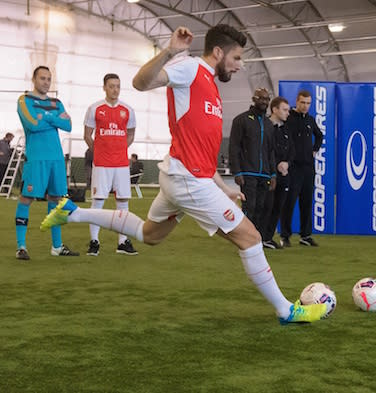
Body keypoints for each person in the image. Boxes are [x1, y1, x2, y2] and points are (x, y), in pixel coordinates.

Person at [41, 25, 326, 324]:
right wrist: (169, 51)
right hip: (188, 180)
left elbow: (202, 150)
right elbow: (140, 83)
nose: (240, 66)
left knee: (148, 234)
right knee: (251, 238)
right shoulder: (189, 68)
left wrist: (222, 188)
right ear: (218, 52)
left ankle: (72, 213)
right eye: (237, 58)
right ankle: (286, 310)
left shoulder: (212, 87)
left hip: (184, 176)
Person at [15, 65, 79, 260]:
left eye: (49, 79)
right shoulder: (24, 100)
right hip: (36, 159)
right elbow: (32, 125)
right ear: (34, 79)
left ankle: (57, 247)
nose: (46, 82)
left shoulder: (56, 102)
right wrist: (54, 119)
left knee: (56, 201)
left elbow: (67, 125)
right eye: (42, 78)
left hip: (56, 160)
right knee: (26, 199)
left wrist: (45, 116)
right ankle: (21, 247)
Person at [84, 73, 138, 256]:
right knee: (98, 202)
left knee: (122, 202)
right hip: (101, 164)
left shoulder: (128, 110)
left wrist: (121, 148)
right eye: (111, 86)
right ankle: (94, 242)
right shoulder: (94, 108)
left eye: (118, 86)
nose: (115, 89)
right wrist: (98, 150)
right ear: (104, 87)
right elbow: (87, 135)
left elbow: (131, 134)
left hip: (121, 165)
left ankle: (122, 242)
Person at [229, 87, 276, 234]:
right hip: (248, 172)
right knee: (249, 206)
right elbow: (234, 147)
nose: (264, 101)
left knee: (261, 207)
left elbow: (271, 151)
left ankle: (254, 238)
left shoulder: (269, 124)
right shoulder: (241, 120)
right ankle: (243, 237)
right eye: (261, 98)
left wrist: (273, 174)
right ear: (254, 99)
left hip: (265, 174)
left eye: (267, 99)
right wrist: (237, 171)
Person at [280, 90, 323, 247]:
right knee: (289, 202)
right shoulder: (288, 118)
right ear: (296, 102)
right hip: (293, 168)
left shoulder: (310, 120)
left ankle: (305, 236)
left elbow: (320, 135)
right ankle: (285, 236)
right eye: (303, 103)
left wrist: (315, 149)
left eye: (308, 103)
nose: (305, 106)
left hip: (308, 168)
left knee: (307, 202)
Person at [261, 97, 293, 249]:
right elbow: (264, 150)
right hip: (269, 174)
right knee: (266, 206)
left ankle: (268, 238)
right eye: (285, 109)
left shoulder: (286, 128)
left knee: (278, 206)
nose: (288, 113)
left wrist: (287, 163)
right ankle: (259, 237)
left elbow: (292, 150)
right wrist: (276, 165)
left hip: (284, 175)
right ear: (274, 109)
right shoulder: (264, 126)